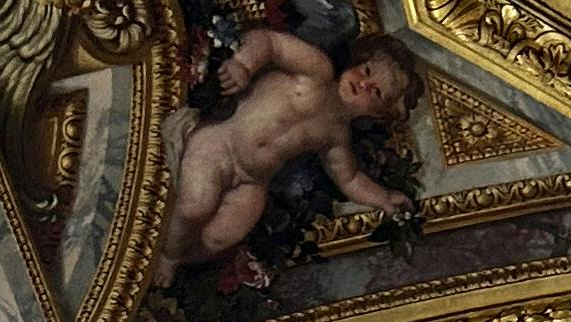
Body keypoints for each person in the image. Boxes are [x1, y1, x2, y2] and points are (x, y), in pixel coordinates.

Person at [165, 30, 414, 267]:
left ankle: (178, 256)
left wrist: (384, 199)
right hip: (222, 141)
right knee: (195, 206)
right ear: (356, 62)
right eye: (367, 71)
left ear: (378, 113)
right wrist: (243, 64)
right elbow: (272, 43)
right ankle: (168, 255)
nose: (364, 84)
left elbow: (350, 179)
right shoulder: (318, 71)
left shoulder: (337, 137)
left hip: (252, 181)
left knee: (224, 236)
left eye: (377, 92)